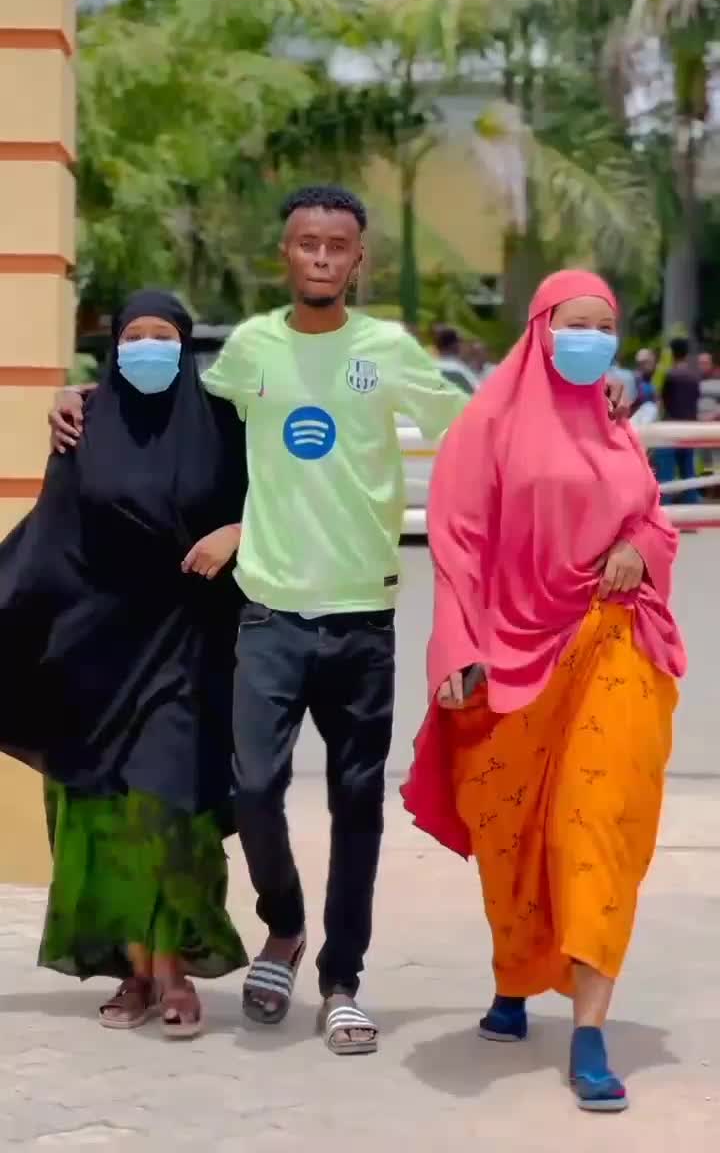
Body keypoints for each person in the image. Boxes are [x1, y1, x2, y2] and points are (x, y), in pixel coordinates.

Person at [49, 189, 632, 1056]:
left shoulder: (386, 350)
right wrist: (83, 394)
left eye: (337, 246)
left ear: (359, 260)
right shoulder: (253, 348)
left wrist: (591, 387)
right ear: (285, 255)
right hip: (270, 614)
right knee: (254, 789)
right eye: (306, 244)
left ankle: (342, 981)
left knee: (358, 807)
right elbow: (180, 411)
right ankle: (284, 925)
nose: (321, 257)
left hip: (364, 618)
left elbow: (487, 421)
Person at [401, 270, 686, 1113]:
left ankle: (590, 1032)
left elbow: (654, 518)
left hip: (614, 639)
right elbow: (456, 544)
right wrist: (455, 647)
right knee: (512, 829)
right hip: (512, 652)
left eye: (604, 325)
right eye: (575, 323)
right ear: (539, 329)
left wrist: (638, 547)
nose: (591, 339)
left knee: (594, 823)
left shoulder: (617, 427)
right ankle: (515, 977)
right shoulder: (486, 427)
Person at [2, 292, 248, 1037]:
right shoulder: (82, 424)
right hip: (95, 651)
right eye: (134, 337)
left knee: (168, 809)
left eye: (162, 335)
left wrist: (239, 531)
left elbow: (276, 499)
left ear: (186, 345)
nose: (148, 348)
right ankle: (136, 972)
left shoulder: (224, 423)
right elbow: (53, 533)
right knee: (106, 817)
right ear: (113, 348)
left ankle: (174, 971)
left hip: (188, 645)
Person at [655, 337, 701, 504]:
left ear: (672, 353)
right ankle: (692, 508)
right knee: (688, 471)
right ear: (687, 354)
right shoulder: (694, 376)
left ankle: (665, 509)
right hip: (690, 427)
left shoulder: (670, 375)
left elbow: (663, 401)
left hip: (671, 427)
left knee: (667, 473)